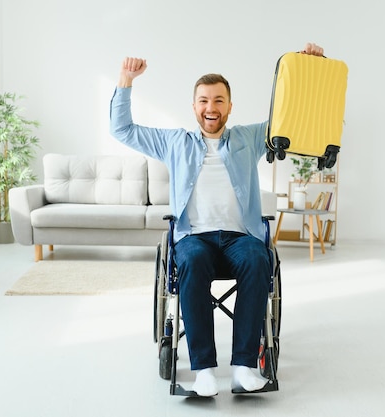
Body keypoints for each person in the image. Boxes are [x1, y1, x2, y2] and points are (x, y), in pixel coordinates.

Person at [110, 43, 325, 396]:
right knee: (191, 260)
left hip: (240, 238)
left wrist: (309, 71)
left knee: (259, 259)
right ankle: (205, 371)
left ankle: (243, 367)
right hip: (195, 237)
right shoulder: (174, 142)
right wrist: (125, 80)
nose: (211, 108)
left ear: (230, 105)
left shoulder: (251, 138)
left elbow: (294, 120)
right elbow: (123, 130)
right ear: (194, 106)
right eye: (204, 101)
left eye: (219, 100)